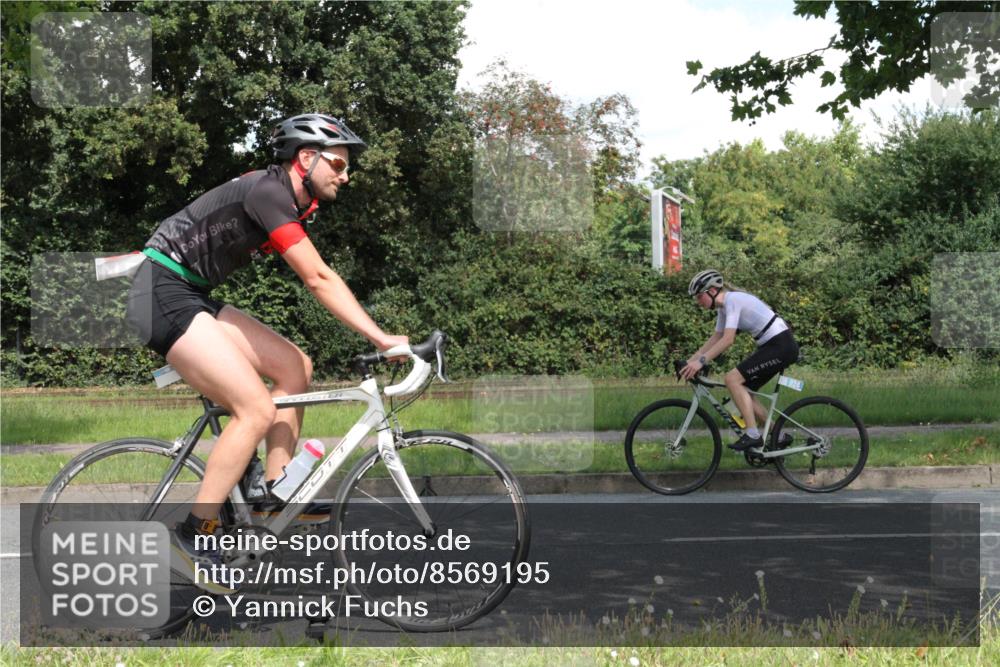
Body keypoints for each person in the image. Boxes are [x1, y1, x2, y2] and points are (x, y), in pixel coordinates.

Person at [126, 113, 407, 593]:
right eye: (338, 164)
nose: (345, 175)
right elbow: (317, 277)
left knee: (295, 367)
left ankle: (273, 488)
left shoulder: (285, 197)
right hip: (159, 290)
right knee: (255, 408)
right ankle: (194, 534)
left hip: (189, 292)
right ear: (306, 158)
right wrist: (381, 338)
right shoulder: (269, 192)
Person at [680, 269, 799, 452]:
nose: (698, 301)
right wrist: (690, 361)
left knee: (732, 379)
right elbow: (717, 337)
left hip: (780, 345)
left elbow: (728, 340)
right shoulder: (723, 308)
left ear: (712, 291)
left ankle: (753, 435)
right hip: (772, 346)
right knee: (744, 392)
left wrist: (700, 362)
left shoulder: (732, 301)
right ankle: (779, 436)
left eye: (699, 296)